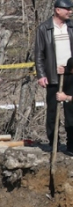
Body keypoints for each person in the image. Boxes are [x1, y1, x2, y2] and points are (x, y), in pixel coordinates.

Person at [35, 0, 73, 149]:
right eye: (67, 9)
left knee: (70, 110)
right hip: (53, 74)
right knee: (53, 110)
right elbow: (39, 54)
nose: (70, 11)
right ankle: (54, 143)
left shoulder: (71, 26)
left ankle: (71, 144)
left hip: (70, 73)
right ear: (58, 10)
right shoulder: (44, 28)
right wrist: (41, 74)